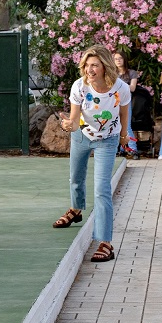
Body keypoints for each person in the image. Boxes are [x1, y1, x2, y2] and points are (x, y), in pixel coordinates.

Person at [54, 45, 130, 265]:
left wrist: (124, 134)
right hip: (82, 136)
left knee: (101, 189)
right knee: (76, 178)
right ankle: (76, 210)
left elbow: (124, 112)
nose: (89, 69)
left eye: (94, 65)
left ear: (105, 66)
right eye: (87, 65)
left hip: (108, 139)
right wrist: (68, 124)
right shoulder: (79, 86)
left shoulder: (120, 88)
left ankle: (105, 242)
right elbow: (74, 117)